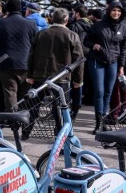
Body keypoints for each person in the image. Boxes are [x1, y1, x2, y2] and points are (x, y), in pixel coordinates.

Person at [25, 8, 84, 140]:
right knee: (60, 107)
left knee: (33, 106)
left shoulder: (41, 34)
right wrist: (78, 80)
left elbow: (31, 55)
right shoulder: (72, 35)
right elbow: (79, 59)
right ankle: (59, 134)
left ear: (51, 19)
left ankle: (26, 132)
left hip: (40, 75)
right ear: (67, 20)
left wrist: (29, 75)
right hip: (61, 77)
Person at [84, 2, 126, 134]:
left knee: (108, 92)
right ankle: (98, 123)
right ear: (109, 11)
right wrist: (94, 46)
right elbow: (86, 41)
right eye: (114, 10)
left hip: (113, 63)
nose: (116, 13)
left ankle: (103, 122)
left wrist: (121, 66)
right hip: (97, 61)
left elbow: (124, 48)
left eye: (119, 11)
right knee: (99, 91)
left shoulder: (123, 27)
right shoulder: (98, 25)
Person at [0, 0, 37, 112]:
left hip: (5, 62)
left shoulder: (0, 23)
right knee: (24, 93)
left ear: (8, 9)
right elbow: (36, 43)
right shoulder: (31, 24)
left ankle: (12, 118)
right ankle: (24, 116)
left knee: (10, 92)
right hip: (25, 63)